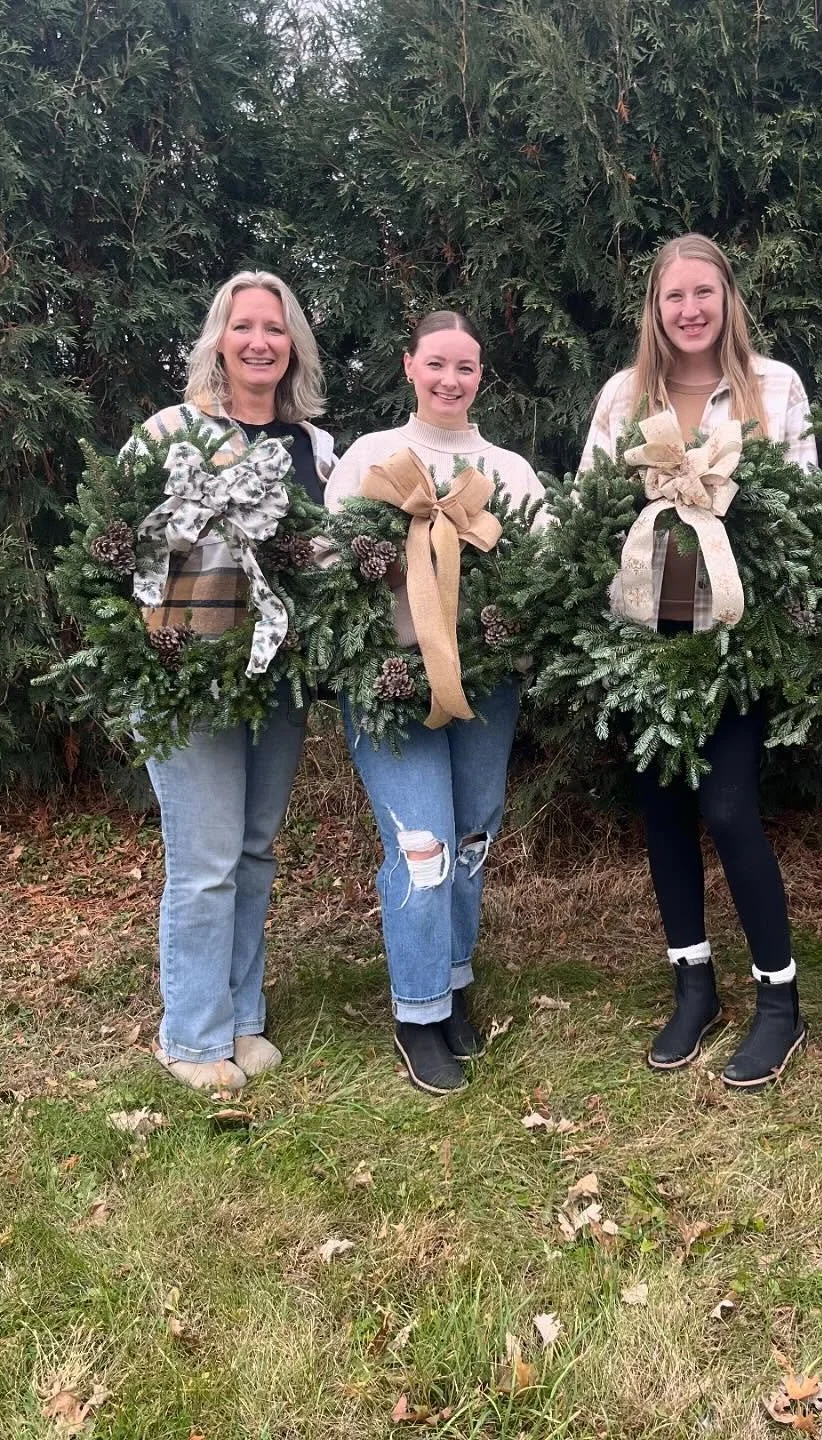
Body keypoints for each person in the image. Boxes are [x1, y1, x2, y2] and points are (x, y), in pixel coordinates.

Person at [580, 233, 818, 1091]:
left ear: (727, 300)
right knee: (665, 811)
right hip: (649, 642)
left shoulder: (773, 388)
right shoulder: (624, 397)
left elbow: (797, 514)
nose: (689, 310)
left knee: (727, 806)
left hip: (735, 642)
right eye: (674, 296)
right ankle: (693, 987)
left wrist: (781, 637)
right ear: (656, 306)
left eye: (704, 294)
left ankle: (780, 1002)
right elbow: (588, 510)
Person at [325, 311, 544, 1096]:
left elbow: (540, 571)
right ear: (409, 365)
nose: (451, 380)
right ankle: (416, 1014)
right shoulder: (372, 458)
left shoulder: (508, 471)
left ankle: (450, 982)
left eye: (467, 368)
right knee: (424, 845)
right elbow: (326, 563)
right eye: (438, 364)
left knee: (472, 837)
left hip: (485, 684)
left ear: (481, 377)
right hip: (392, 683)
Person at [130, 271, 336, 1091]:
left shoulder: (314, 449)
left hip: (275, 680)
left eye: (275, 329)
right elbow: (115, 541)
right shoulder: (168, 432)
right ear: (219, 338)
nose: (259, 341)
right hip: (187, 677)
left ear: (294, 348)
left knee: (253, 851)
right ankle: (189, 1035)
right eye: (244, 325)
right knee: (206, 858)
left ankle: (240, 1018)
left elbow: (326, 558)